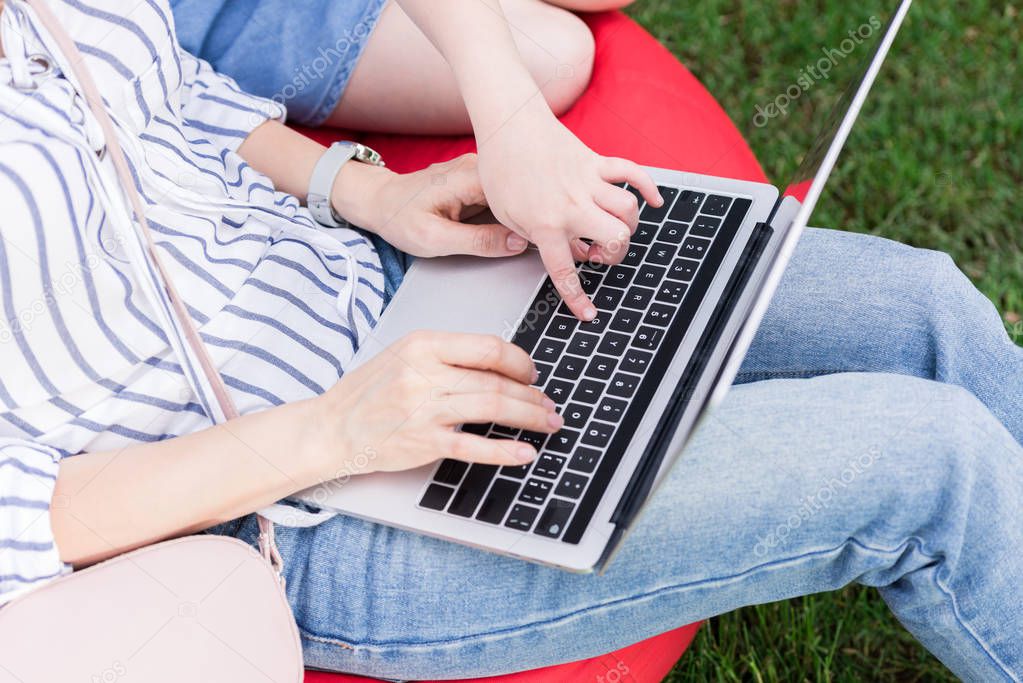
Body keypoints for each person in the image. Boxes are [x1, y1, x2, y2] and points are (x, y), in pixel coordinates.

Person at [0, 1, 1020, 681]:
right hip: (312, 513)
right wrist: (339, 430)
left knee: (920, 302)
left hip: (406, 291)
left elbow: (169, 99)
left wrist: (368, 193)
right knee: (931, 463)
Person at [171, 0, 646, 321]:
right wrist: (511, 114)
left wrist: (514, 123)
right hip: (220, 17)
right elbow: (166, 94)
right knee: (558, 54)